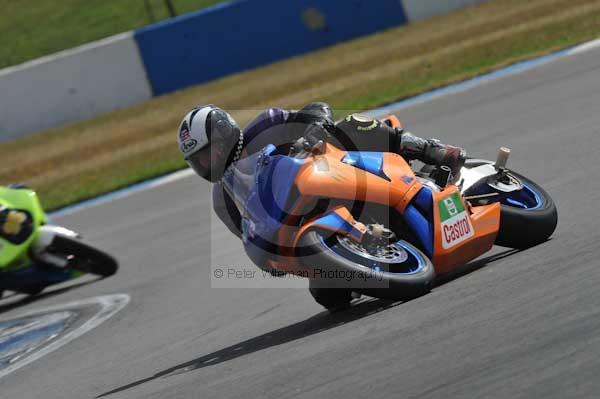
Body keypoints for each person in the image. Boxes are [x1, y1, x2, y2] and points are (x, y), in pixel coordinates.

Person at [176, 103, 466, 236]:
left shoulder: (265, 126)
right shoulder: (222, 199)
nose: (206, 163)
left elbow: (317, 109)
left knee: (349, 125)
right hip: (308, 221)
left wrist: (315, 127)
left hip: (334, 172)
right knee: (330, 298)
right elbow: (248, 234)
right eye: (198, 160)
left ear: (224, 136)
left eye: (207, 153)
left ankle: (433, 150)